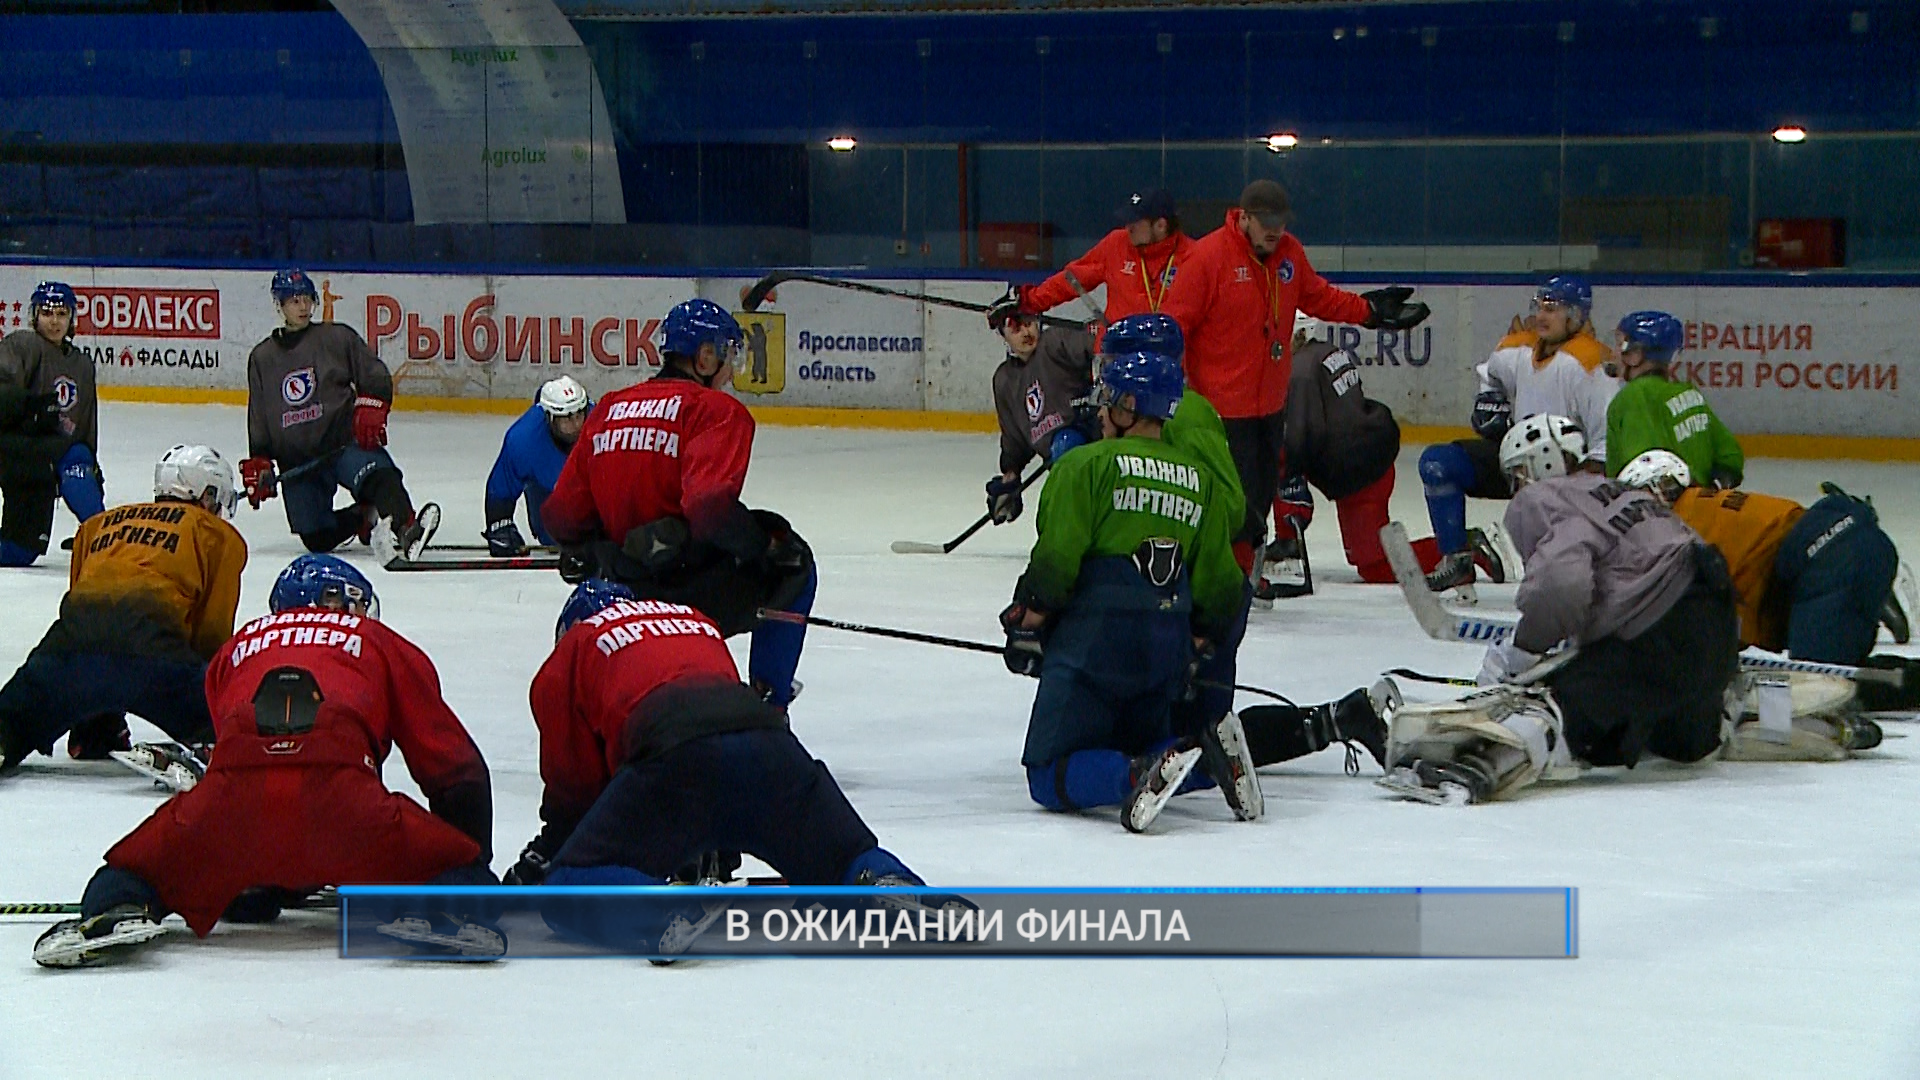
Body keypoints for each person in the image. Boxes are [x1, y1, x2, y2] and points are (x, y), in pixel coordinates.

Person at [32, 555, 501, 967]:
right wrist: (467, 853)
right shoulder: (375, 638)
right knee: (457, 869)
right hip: (348, 802)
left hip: (231, 801)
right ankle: (454, 903)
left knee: (134, 868)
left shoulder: (234, 650)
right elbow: (452, 766)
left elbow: (243, 759)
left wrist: (252, 865)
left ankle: (115, 908)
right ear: (336, 600)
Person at [502, 581, 933, 951]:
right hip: (769, 742)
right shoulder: (694, 619)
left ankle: (656, 908)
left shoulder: (576, 647)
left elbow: (574, 786)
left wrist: (557, 850)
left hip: (675, 752)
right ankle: (885, 884)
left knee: (565, 890)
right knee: (843, 855)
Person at [1381, 415, 1741, 804]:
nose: (1517, 488)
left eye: (1518, 474)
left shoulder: (1544, 497)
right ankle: (1748, 711)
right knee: (1671, 740)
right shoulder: (1621, 489)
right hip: (1716, 623)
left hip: (1654, 636)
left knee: (1554, 708)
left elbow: (1561, 584)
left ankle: (1474, 766)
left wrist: (1525, 647)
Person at [1001, 341, 1254, 833]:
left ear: (1129, 407)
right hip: (1164, 648)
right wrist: (1198, 638)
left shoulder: (1084, 467)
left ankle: (1136, 775)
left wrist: (1029, 616)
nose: (1100, 408)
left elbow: (1055, 562)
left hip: (1094, 645)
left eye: (1108, 398)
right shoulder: (1200, 482)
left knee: (1046, 774)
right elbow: (1223, 585)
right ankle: (1206, 760)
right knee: (1151, 741)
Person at [542, 298, 813, 709]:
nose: (728, 372)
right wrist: (764, 546)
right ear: (705, 357)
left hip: (623, 587)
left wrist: (592, 550)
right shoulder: (716, 411)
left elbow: (561, 517)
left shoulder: (608, 409)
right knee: (797, 565)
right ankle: (767, 705)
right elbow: (708, 508)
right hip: (687, 590)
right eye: (726, 356)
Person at [1160, 179, 1428, 577]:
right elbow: (1174, 324)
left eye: (1280, 221)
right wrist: (1164, 380)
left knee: (1259, 497)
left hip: (1269, 406)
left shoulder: (1289, 255)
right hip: (1220, 409)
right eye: (1266, 220)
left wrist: (1369, 312)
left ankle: (1242, 571)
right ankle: (1228, 575)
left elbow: (1320, 297)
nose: (1274, 229)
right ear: (1244, 217)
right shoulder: (1207, 258)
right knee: (1233, 498)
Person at [0, 445, 246, 774]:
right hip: (152, 657)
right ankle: (209, 746)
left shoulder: (98, 524)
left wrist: (90, 708)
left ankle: (93, 731)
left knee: (13, 717)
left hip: (65, 652)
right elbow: (211, 634)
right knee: (233, 729)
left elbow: (81, 602)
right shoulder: (216, 534)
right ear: (206, 494)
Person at [1417, 275, 1618, 596]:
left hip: (1563, 480)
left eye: (1552, 309)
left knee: (1552, 582)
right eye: (1539, 306)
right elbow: (1490, 374)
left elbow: (1605, 444)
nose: (1541, 315)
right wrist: (1490, 400)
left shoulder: (1590, 363)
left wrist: (1581, 495)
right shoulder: (1518, 348)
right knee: (1439, 463)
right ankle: (1457, 559)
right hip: (1519, 465)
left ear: (1576, 316)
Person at [1617, 450, 1900, 666]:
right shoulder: (1708, 503)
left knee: (1818, 682)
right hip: (1847, 538)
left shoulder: (1680, 527)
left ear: (1660, 490)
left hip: (1827, 562)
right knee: (1844, 668)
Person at [240, 268, 440, 562]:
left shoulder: (336, 338)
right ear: (279, 305)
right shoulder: (262, 358)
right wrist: (260, 458)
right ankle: (363, 515)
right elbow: (260, 411)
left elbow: (373, 373)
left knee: (378, 475)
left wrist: (372, 404)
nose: (303, 307)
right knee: (315, 535)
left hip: (342, 443)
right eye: (294, 301)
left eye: (308, 299)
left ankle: (407, 528)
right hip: (299, 459)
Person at [1267, 318, 1452, 596]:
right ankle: (1287, 540)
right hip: (1370, 454)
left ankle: (1460, 548)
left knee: (1375, 565)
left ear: (1300, 332)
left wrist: (1291, 487)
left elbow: (1302, 437)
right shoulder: (1326, 351)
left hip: (1359, 473)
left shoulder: (1299, 371)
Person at [0, 281, 102, 565]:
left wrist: (93, 471)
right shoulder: (22, 345)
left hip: (50, 454)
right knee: (17, 552)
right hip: (18, 451)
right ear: (35, 316)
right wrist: (30, 407)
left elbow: (84, 425)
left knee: (20, 552)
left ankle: (99, 532)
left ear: (72, 318)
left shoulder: (82, 364)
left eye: (61, 313)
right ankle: (101, 533)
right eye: (47, 313)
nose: (54, 321)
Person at [982, 295, 1098, 524]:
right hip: (1059, 463)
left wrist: (1102, 330)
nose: (1025, 332)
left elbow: (1095, 342)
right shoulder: (1004, 379)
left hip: (1092, 442)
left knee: (1067, 443)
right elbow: (1014, 438)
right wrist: (1010, 476)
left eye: (1029, 321)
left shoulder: (1055, 342)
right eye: (1014, 326)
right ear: (1002, 335)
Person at [1016, 188, 1195, 328]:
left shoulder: (1193, 257)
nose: (1128, 226)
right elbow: (1073, 278)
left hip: (1168, 363)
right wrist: (1028, 301)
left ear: (1160, 225)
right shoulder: (1117, 243)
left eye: (1135, 222)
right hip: (1116, 358)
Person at [1604, 311, 1743, 486]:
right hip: (1698, 508)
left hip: (1655, 512)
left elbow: (1645, 476)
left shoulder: (1633, 397)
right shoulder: (1690, 394)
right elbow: (1730, 457)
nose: (1614, 353)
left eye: (1619, 345)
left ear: (1635, 355)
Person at [483, 375, 591, 556]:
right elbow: (502, 485)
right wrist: (500, 526)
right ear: (549, 418)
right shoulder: (523, 440)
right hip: (546, 490)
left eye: (579, 415)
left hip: (591, 494)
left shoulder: (603, 425)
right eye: (566, 418)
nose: (575, 425)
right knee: (553, 538)